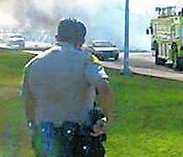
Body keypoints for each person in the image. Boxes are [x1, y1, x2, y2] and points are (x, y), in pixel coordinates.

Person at [21, 18, 115, 157]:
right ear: (82, 40)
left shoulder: (33, 63)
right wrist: (108, 119)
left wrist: (31, 124)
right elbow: (104, 88)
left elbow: (28, 99)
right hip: (79, 138)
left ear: (57, 37)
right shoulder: (86, 60)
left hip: (46, 135)